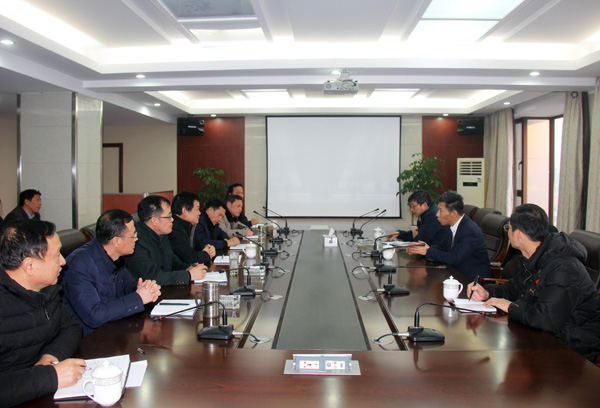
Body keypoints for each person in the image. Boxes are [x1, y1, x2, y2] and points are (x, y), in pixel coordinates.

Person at [468, 204, 600, 362]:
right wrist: (488, 292)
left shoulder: (564, 268)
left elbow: (546, 318)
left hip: (570, 350)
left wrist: (510, 306)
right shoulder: (538, 255)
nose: (507, 232)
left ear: (518, 235)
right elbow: (515, 287)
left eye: (509, 228)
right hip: (542, 336)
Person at [0, 220, 85, 407]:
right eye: (56, 255)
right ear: (29, 266)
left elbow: (71, 327)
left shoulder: (46, 291)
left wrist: (52, 356)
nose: (63, 261)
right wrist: (50, 377)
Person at [61, 209, 162, 336]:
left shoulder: (115, 257)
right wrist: (139, 298)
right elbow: (94, 315)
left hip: (115, 328)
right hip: (91, 338)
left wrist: (143, 289)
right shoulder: (79, 265)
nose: (136, 239)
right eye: (133, 235)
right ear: (116, 241)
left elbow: (128, 286)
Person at [407, 190, 490, 280]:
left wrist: (428, 251)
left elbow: (454, 258)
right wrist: (423, 247)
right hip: (455, 274)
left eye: (440, 211)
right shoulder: (451, 226)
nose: (437, 214)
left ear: (454, 213)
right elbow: (443, 247)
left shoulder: (470, 231)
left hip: (472, 280)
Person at [125, 195, 207, 286]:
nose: (172, 220)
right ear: (154, 221)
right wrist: (188, 275)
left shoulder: (162, 235)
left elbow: (172, 260)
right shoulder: (136, 241)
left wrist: (188, 268)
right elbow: (152, 277)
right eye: (168, 217)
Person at [387, 190, 451, 248]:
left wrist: (415, 234)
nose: (412, 209)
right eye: (411, 207)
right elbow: (418, 236)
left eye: (414, 206)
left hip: (436, 253)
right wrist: (399, 234)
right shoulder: (425, 213)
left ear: (424, 205)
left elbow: (419, 240)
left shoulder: (432, 216)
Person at [169, 191, 216, 265]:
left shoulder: (188, 225)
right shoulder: (174, 229)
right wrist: (206, 254)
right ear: (185, 211)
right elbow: (190, 258)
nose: (199, 213)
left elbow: (197, 245)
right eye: (197, 209)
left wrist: (209, 248)